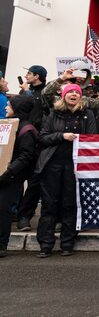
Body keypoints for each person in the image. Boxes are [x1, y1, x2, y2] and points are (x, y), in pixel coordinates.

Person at [36, 83, 97, 257]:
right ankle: (45, 245)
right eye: (69, 92)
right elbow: (43, 138)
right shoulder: (53, 113)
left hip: (74, 166)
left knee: (70, 204)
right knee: (49, 205)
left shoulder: (88, 114)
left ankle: (67, 243)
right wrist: (61, 136)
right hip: (52, 164)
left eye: (76, 92)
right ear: (63, 96)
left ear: (80, 97)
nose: (73, 95)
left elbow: (93, 139)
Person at [0, 97, 38, 258]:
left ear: (18, 108)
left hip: (10, 178)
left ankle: (1, 245)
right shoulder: (7, 124)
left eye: (9, 105)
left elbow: (25, 156)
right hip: (4, 174)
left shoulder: (26, 129)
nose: (6, 107)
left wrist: (7, 173)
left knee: (3, 211)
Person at [15, 64, 48, 232]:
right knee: (16, 178)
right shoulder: (25, 92)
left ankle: (24, 217)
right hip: (22, 141)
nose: (26, 76)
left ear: (37, 76)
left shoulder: (47, 93)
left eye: (29, 73)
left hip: (39, 144)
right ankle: (14, 212)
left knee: (34, 182)